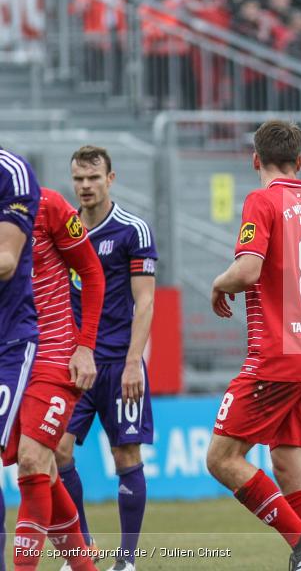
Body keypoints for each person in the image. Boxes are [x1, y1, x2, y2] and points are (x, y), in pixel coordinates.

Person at [205, 121, 301, 571]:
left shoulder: (261, 200)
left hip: (275, 357)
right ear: (300, 162)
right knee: (290, 465)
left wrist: (217, 283)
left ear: (256, 160)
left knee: (222, 458)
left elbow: (248, 270)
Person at [57, 146, 158, 571]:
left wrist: (135, 361)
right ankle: (83, 546)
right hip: (77, 365)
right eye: (78, 179)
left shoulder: (133, 230)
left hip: (120, 364)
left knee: (125, 458)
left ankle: (127, 560)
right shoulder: (63, 231)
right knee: (57, 452)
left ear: (110, 180)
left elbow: (146, 302)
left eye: (93, 178)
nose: (85, 186)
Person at [6, 187, 105, 571]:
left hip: (54, 352)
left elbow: (92, 272)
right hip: (12, 357)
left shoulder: (47, 205)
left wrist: (86, 347)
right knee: (42, 471)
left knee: (32, 461)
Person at [0, 146, 41, 571]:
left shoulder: (12, 172)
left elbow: (7, 262)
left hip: (9, 341)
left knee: (39, 457)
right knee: (44, 459)